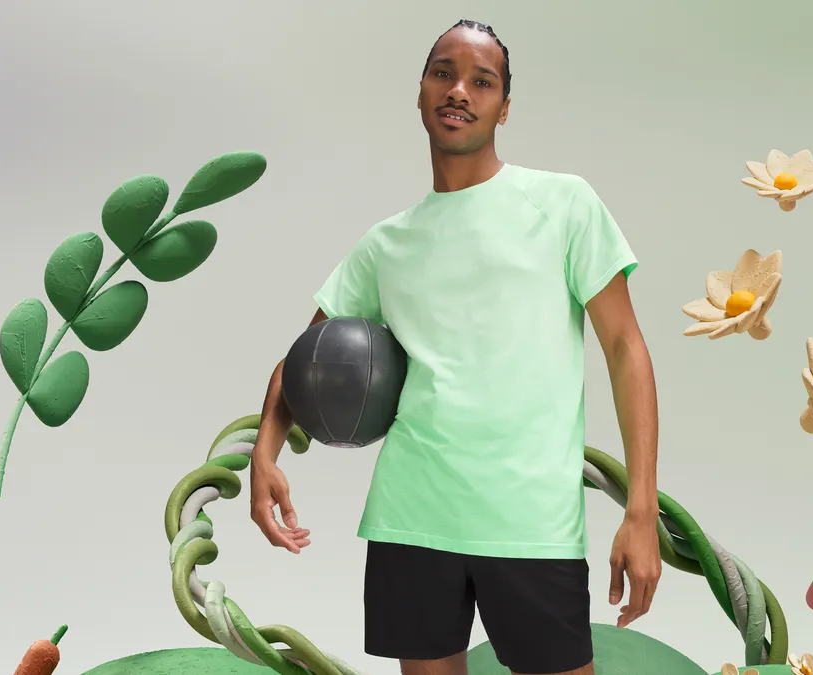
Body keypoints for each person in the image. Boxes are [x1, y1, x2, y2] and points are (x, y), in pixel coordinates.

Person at [250, 19, 662, 675]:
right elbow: (305, 357)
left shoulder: (564, 204)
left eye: (482, 80)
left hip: (531, 520)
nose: (459, 90)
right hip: (411, 518)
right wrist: (265, 452)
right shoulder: (387, 244)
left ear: (504, 106)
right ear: (419, 92)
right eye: (443, 72)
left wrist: (642, 509)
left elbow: (625, 348)